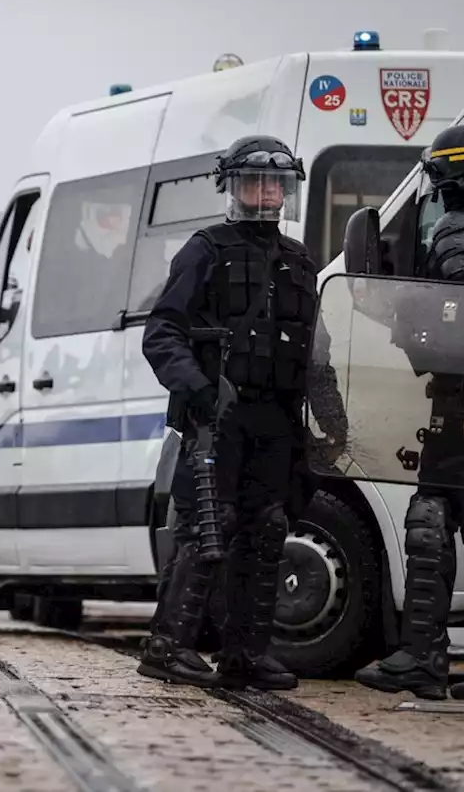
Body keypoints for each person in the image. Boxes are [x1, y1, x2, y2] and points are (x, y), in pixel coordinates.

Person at [139, 135, 328, 690]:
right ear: (233, 186)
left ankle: (246, 652)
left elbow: (319, 348)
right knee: (206, 528)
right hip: (217, 418)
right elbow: (162, 331)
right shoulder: (205, 248)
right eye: (254, 182)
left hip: (276, 421)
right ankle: (167, 645)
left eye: (275, 183)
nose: (266, 193)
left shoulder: (299, 259)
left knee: (267, 529)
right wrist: (198, 389)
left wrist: (329, 421)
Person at [353, 123, 464, 701]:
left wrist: (401, 322)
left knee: (431, 519)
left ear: (447, 178)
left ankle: (422, 657)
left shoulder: (458, 228)